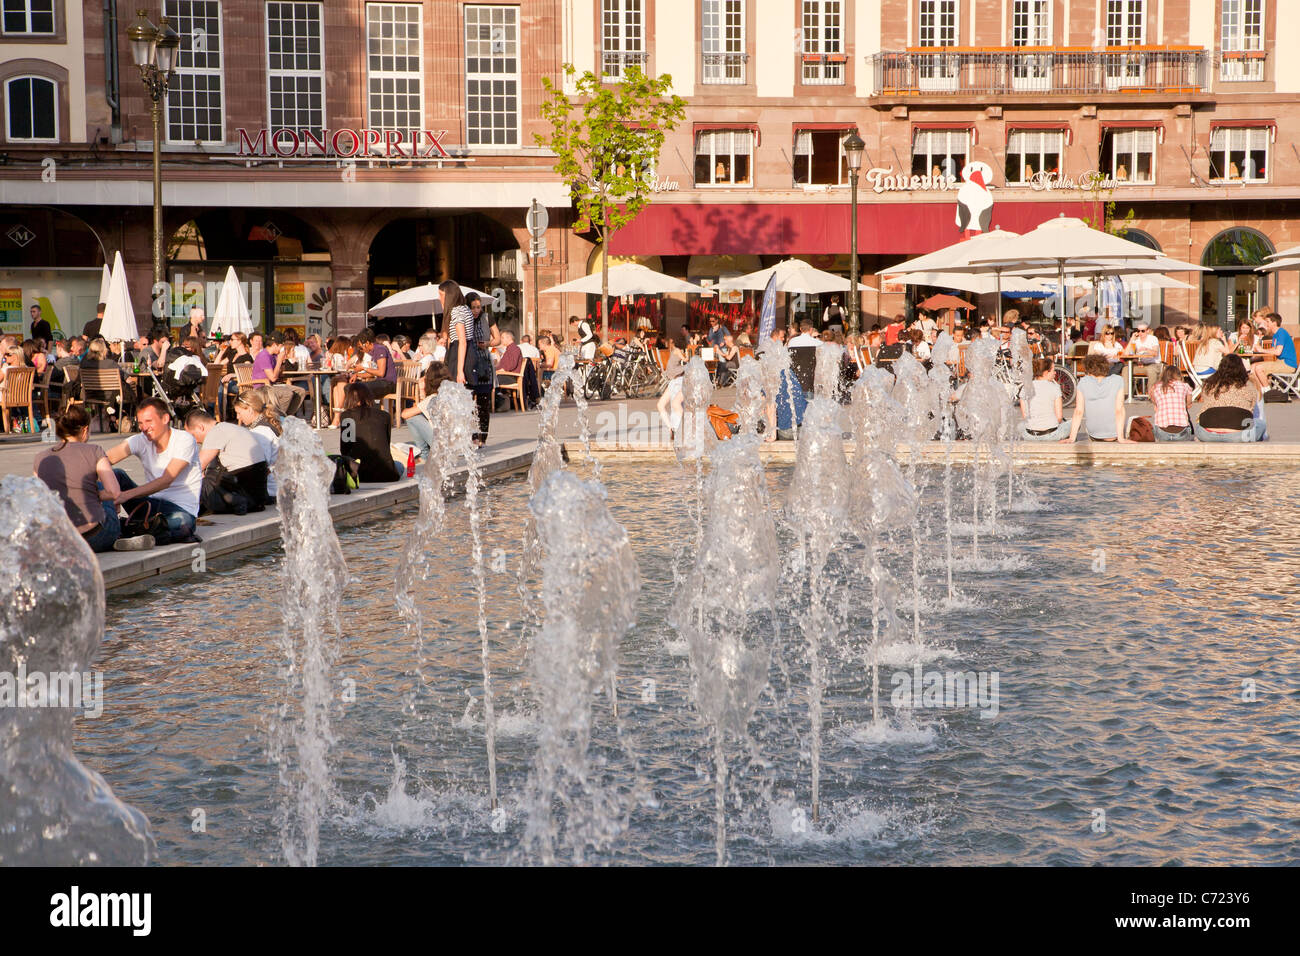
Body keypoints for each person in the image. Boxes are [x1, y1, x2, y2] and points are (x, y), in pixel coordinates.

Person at [33, 405, 153, 552]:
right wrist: (91, 492)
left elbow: (38, 497)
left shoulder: (40, 457)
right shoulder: (94, 451)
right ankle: (119, 534)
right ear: (84, 430)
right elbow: (115, 493)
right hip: (93, 536)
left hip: (60, 539)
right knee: (102, 484)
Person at [105, 397, 202, 544]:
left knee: (183, 523)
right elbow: (104, 460)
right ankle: (125, 527)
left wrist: (124, 496)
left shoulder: (185, 439)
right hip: (150, 504)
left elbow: (166, 480)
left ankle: (129, 530)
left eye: (149, 421)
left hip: (179, 509)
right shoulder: (139, 440)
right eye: (141, 423)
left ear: (165, 418)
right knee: (115, 474)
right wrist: (108, 494)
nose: (144, 428)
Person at [183, 408, 269, 514]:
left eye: (192, 435)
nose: (195, 441)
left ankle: (234, 502)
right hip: (257, 494)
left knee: (191, 486)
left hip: (243, 491)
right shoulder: (230, 427)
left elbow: (196, 467)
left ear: (200, 427)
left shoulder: (215, 432)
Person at [339, 381, 401, 481]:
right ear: (369, 396)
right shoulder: (384, 415)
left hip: (358, 474)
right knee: (400, 465)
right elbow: (386, 442)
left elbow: (345, 449)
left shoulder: (347, 416)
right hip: (386, 474)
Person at [1195, 354, 1265, 442]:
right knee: (1261, 424)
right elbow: (1251, 409)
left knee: (1198, 424)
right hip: (1239, 435)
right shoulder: (1248, 386)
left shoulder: (1209, 384)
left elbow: (1205, 402)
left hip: (1207, 434)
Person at [1064, 353, 1130, 443]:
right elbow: (1119, 410)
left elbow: (1078, 411)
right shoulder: (1117, 380)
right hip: (1114, 435)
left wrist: (1071, 438)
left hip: (1094, 434)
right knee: (1132, 419)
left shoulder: (1083, 382)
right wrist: (1121, 438)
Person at [234, 387, 281, 503]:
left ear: (249, 409)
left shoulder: (260, 432)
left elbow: (260, 466)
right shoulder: (265, 424)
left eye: (239, 413)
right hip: (277, 487)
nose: (237, 417)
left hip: (271, 491)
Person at [401, 360, 451, 461]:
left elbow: (404, 414)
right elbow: (424, 409)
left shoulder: (433, 398)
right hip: (451, 443)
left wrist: (421, 389)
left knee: (413, 418)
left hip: (441, 445)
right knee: (419, 415)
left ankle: (424, 454)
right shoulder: (449, 393)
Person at [251, 331, 307, 418]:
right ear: (274, 345)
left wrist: (285, 361)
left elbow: (279, 375)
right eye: (281, 346)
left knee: (300, 391)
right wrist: (279, 361)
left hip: (272, 386)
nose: (282, 349)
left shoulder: (273, 356)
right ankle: (277, 418)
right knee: (287, 394)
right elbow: (273, 378)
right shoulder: (264, 356)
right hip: (262, 388)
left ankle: (287, 417)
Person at [1017, 358, 1070, 441]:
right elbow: (1059, 417)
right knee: (1074, 423)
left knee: (1020, 425)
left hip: (1030, 435)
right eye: (1053, 370)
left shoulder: (1025, 387)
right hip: (1051, 434)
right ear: (1046, 373)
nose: (1055, 373)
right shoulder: (1055, 387)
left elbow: (1025, 416)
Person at [1249, 312, 1297, 392]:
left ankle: (1268, 392)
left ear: (1274, 323)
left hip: (1287, 364)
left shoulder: (1281, 333)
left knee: (1259, 368)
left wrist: (1261, 350)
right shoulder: (1276, 334)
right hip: (1280, 362)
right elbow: (1273, 349)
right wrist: (1260, 349)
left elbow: (1278, 352)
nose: (1266, 324)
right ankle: (1260, 389)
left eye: (1267, 322)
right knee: (1254, 366)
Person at [1148, 363, 1194, 441]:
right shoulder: (1185, 386)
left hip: (1162, 431)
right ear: (1179, 375)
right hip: (1181, 431)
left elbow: (1155, 404)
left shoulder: (1155, 387)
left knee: (1157, 409)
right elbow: (1189, 404)